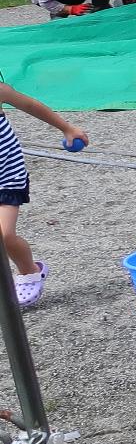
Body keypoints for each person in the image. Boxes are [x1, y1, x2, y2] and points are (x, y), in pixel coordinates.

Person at [0, 79, 87, 306]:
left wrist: (67, 128)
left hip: (6, 176)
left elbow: (30, 105)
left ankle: (30, 272)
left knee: (4, 235)